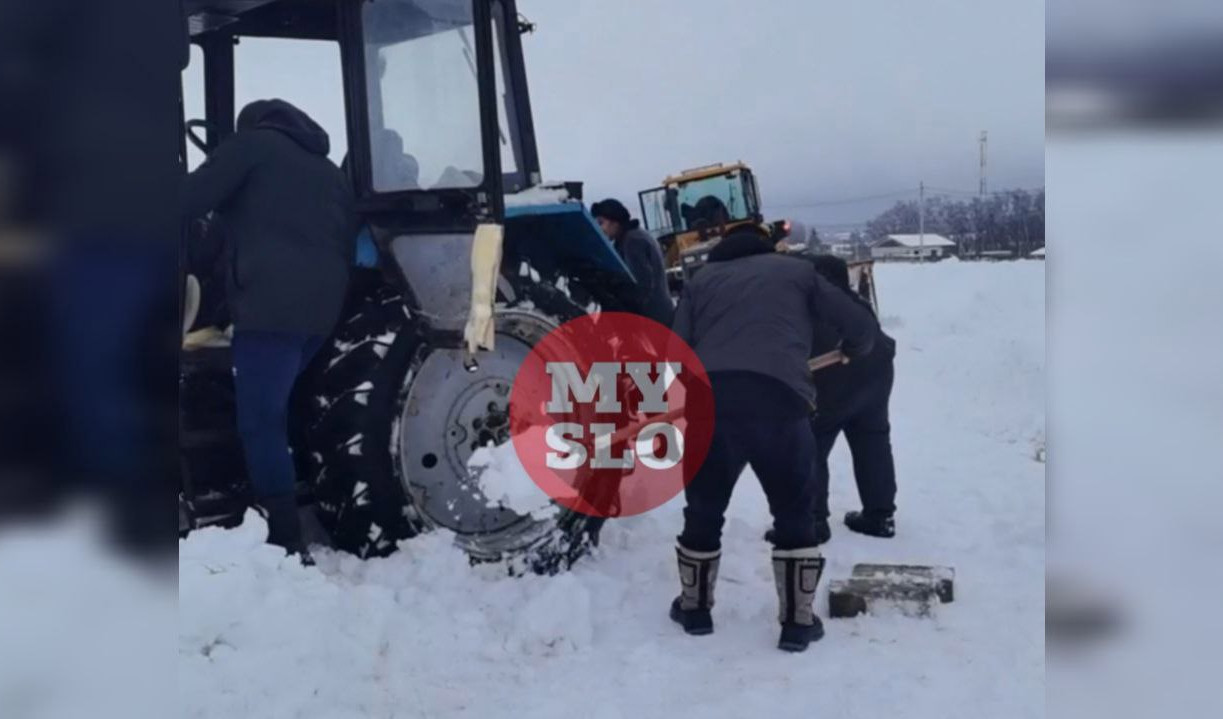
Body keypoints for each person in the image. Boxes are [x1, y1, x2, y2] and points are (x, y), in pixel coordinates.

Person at [669, 228, 877, 652]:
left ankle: (694, 609)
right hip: (780, 400)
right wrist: (854, 348)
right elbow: (859, 324)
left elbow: (677, 352)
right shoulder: (797, 272)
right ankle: (797, 623)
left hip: (712, 403)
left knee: (705, 507)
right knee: (793, 510)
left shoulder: (701, 281)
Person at [182, 99, 357, 561]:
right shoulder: (326, 171)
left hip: (271, 311)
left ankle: (285, 539)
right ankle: (272, 490)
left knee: (260, 421)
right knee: (277, 407)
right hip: (321, 314)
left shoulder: (250, 147)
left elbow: (188, 200)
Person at [808, 255, 899, 538]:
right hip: (876, 380)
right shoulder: (858, 304)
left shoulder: (816, 309)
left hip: (832, 384)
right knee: (873, 443)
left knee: (810, 447)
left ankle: (812, 522)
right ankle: (880, 516)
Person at [591, 198, 674, 326]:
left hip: (652, 319)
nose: (600, 229)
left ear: (615, 222)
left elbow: (642, 284)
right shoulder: (636, 235)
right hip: (659, 315)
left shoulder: (632, 241)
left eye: (601, 223)